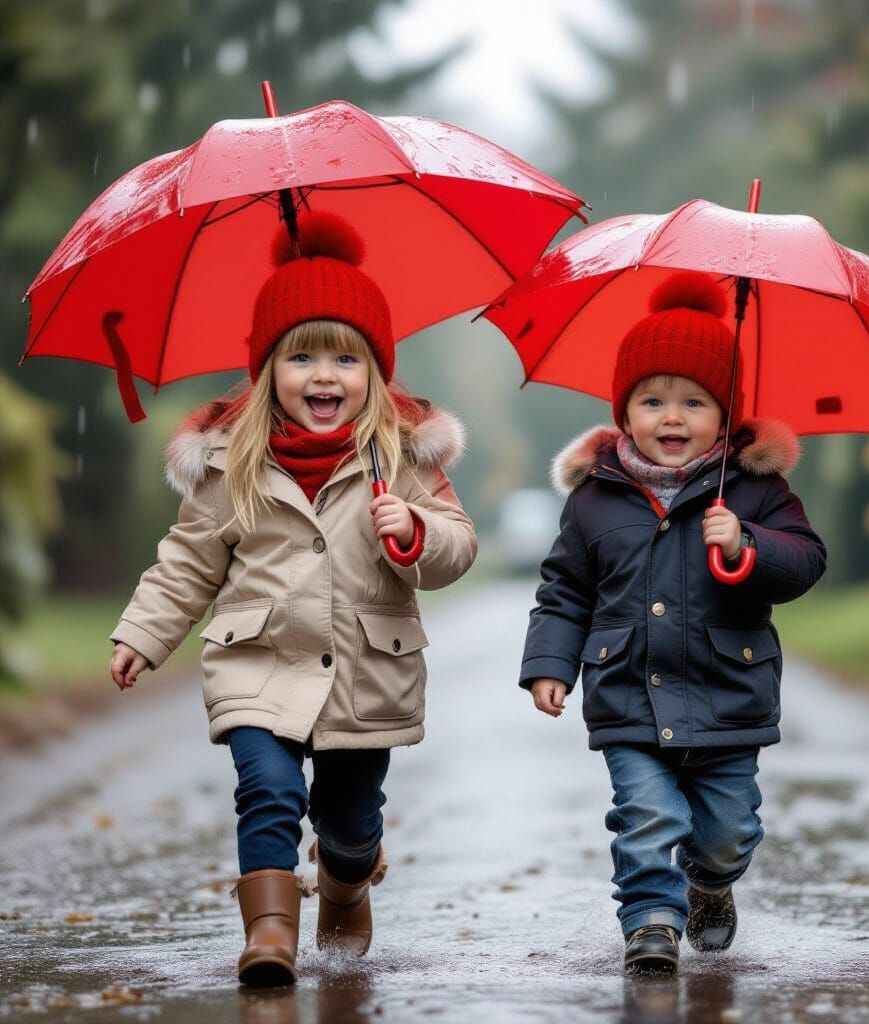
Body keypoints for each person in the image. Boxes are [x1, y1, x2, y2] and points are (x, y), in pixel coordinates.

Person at [109, 212, 476, 986]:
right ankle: (270, 933)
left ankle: (346, 879)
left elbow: (457, 546)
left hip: (365, 672)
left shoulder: (401, 455)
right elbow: (188, 560)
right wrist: (143, 632)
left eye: (345, 357)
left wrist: (414, 530)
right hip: (258, 663)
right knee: (267, 790)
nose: (323, 376)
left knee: (349, 820)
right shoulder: (229, 461)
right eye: (300, 355)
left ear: (375, 370)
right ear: (267, 367)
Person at [519, 270, 826, 975]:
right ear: (624, 410)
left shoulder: (754, 489)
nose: (672, 418)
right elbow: (565, 589)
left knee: (728, 833)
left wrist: (748, 545)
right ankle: (650, 923)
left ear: (726, 413)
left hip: (727, 698)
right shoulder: (596, 497)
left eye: (695, 401)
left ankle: (709, 884)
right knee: (647, 817)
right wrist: (549, 664)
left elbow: (807, 561)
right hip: (629, 695)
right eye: (652, 400)